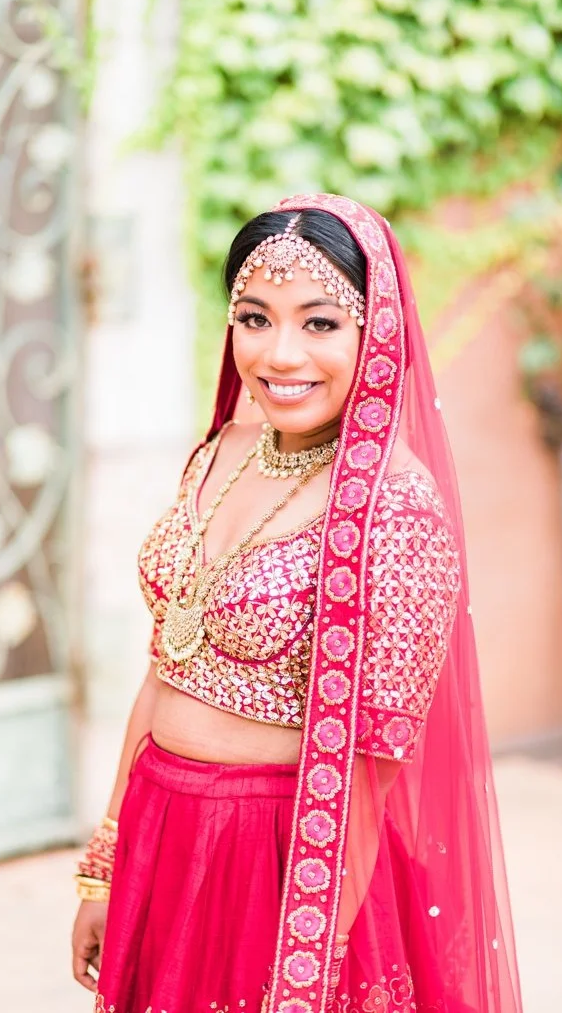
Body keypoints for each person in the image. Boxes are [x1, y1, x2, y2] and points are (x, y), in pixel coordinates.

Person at [70, 195, 522, 1012]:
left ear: (373, 334)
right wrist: (106, 860)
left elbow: (375, 766)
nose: (280, 353)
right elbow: (162, 668)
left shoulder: (395, 507)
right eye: (254, 317)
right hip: (162, 825)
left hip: (285, 866)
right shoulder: (221, 453)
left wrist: (307, 958)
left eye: (319, 324)